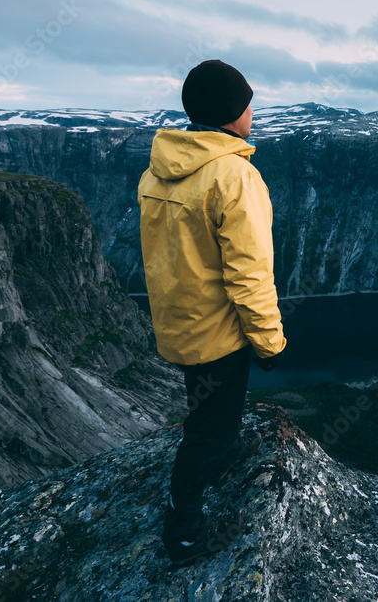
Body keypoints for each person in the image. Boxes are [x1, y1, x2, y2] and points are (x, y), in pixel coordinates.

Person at [137, 59, 287, 567]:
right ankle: (183, 532)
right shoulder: (234, 175)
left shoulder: (156, 171)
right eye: (248, 105)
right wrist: (268, 342)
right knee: (210, 432)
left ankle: (215, 462)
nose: (253, 114)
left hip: (179, 327)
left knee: (206, 413)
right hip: (219, 335)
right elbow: (250, 274)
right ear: (232, 112)